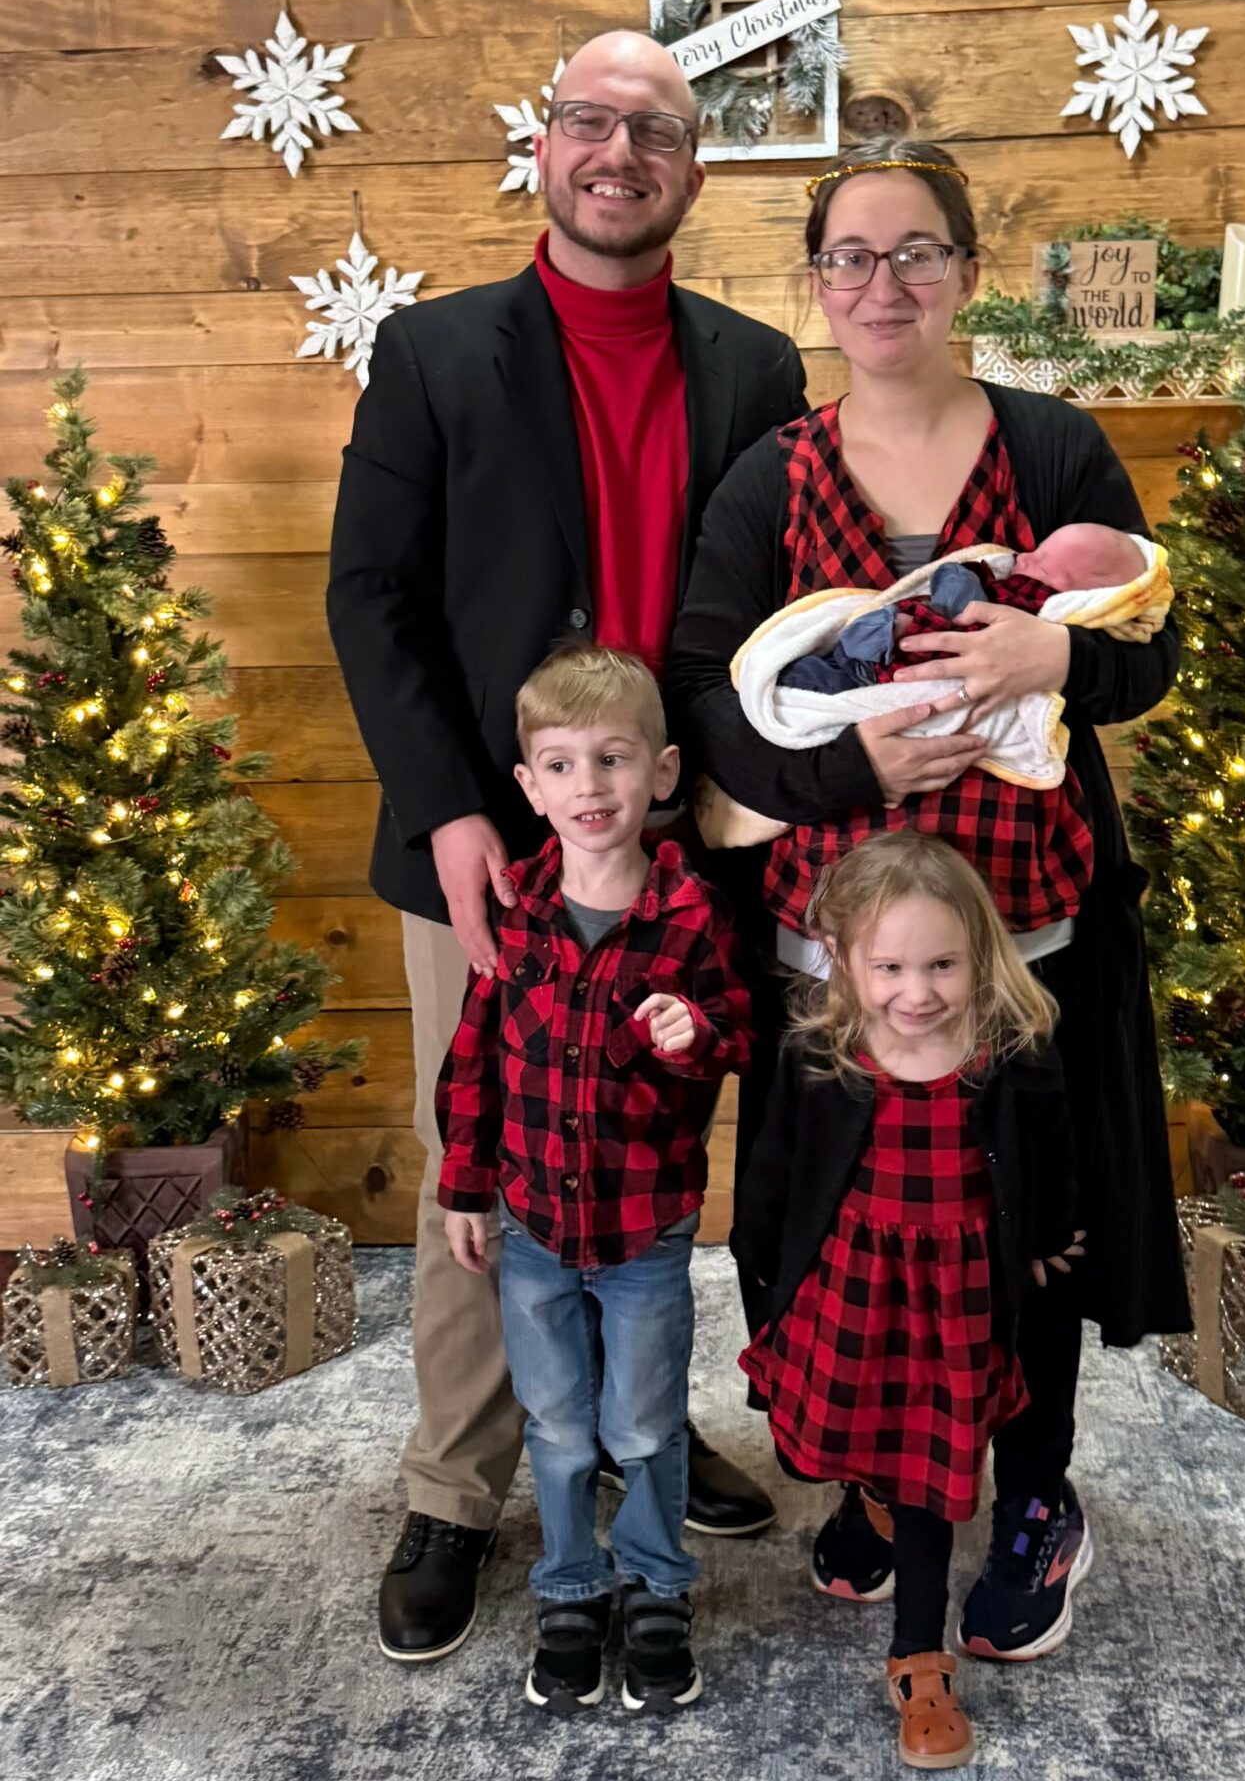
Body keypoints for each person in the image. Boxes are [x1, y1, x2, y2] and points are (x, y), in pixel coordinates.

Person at [667, 136, 1191, 1660]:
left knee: (1018, 1228)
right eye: (849, 257)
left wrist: (1059, 662)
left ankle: (1029, 1492)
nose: (880, 283)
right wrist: (851, 779)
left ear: (965, 271)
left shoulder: (1048, 447)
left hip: (1022, 942)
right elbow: (707, 690)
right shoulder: (767, 474)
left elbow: (1147, 644)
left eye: (913, 253)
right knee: (830, 1225)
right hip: (826, 944)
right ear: (814, 285)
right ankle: (877, 1484)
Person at [327, 28, 801, 1665]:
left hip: (682, 860)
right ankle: (457, 1489)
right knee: (492, 1164)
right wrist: (454, 808)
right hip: (489, 849)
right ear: (543, 146)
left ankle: (636, 1441)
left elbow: (780, 618)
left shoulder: (754, 368)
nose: (621, 153)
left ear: (692, 167)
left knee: (655, 1160)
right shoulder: (437, 352)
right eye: (592, 123)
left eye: (656, 130)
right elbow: (369, 594)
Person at [438, 645, 750, 1713]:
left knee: (645, 1425)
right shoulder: (515, 911)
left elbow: (736, 1034)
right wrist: (464, 1186)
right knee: (559, 1421)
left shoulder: (692, 915)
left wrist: (692, 1030)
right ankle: (572, 1585)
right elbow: (473, 1061)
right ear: (529, 787)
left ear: (661, 773)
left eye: (613, 760)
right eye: (563, 766)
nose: (590, 788)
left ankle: (657, 1584)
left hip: (646, 1234)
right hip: (530, 1228)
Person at [734, 830, 1081, 1770]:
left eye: (940, 964)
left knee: (929, 1469)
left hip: (957, 1307)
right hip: (847, 1295)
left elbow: (1050, 1163)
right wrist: (764, 1283)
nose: (915, 991)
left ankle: (917, 1659)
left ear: (980, 956)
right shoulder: (823, 1057)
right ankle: (871, 1500)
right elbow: (772, 1178)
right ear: (843, 960)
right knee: (852, 1434)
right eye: (888, 965)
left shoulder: (1010, 1058)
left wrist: (1049, 1238)